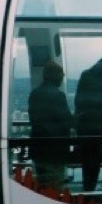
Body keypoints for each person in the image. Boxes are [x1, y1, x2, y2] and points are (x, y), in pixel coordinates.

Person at [73, 57, 102, 192]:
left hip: (84, 125)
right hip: (101, 127)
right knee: (95, 160)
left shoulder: (85, 74)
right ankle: (90, 190)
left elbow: (78, 100)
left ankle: (86, 190)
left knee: (86, 160)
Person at [28, 61, 73, 189]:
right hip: (55, 149)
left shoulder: (34, 94)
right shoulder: (58, 95)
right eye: (61, 76)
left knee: (43, 184)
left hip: (38, 147)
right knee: (55, 186)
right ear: (56, 77)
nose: (62, 79)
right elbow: (66, 121)